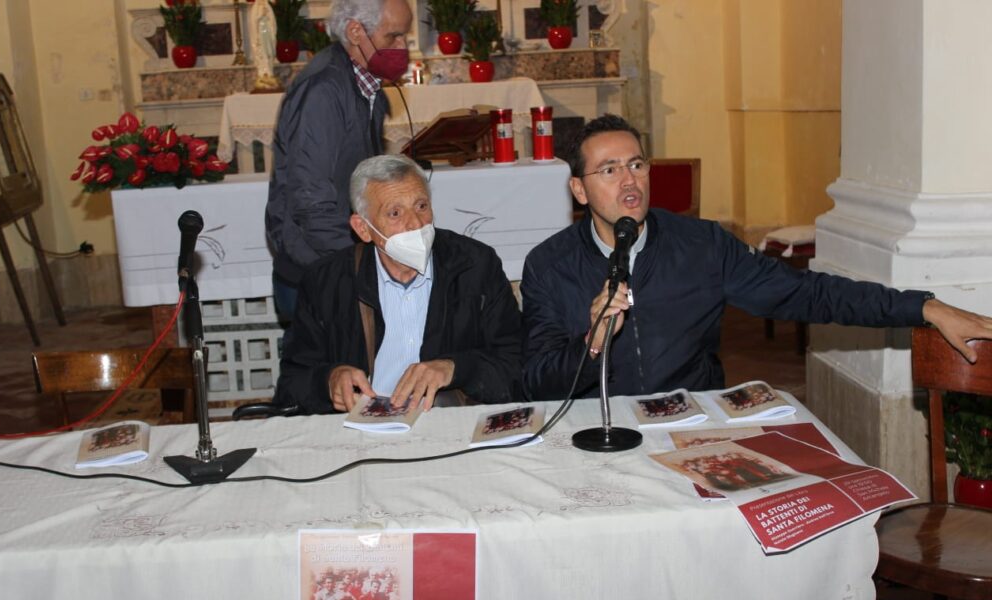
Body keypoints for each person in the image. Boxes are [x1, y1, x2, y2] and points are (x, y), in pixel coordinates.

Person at [521, 114, 992, 400]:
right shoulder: (549, 265)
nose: (629, 181)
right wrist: (592, 344)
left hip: (691, 424)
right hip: (596, 431)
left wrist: (924, 306)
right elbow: (538, 382)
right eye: (608, 170)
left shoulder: (703, 245)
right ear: (579, 189)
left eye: (636, 164)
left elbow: (809, 294)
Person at [275, 154, 522, 414]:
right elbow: (291, 385)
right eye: (395, 213)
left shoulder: (474, 266)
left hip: (447, 418)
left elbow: (516, 364)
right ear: (363, 228)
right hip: (363, 424)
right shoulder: (327, 281)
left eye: (421, 206)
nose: (415, 223)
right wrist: (328, 381)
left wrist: (456, 369)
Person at [266, 0, 413, 320]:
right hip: (318, 270)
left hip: (340, 260)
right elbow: (310, 203)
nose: (403, 47)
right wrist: (370, 262)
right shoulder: (324, 91)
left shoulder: (364, 83)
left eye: (405, 37)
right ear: (356, 32)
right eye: (393, 36)